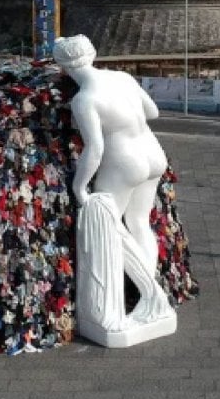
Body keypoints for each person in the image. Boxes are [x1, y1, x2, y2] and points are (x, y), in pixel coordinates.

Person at [54, 35, 175, 344]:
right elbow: (153, 113)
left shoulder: (85, 99)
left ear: (64, 67)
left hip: (123, 162)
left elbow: (94, 149)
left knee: (111, 229)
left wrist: (80, 185)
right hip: (153, 152)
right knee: (138, 224)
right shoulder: (122, 77)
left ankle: (150, 296)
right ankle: (151, 301)